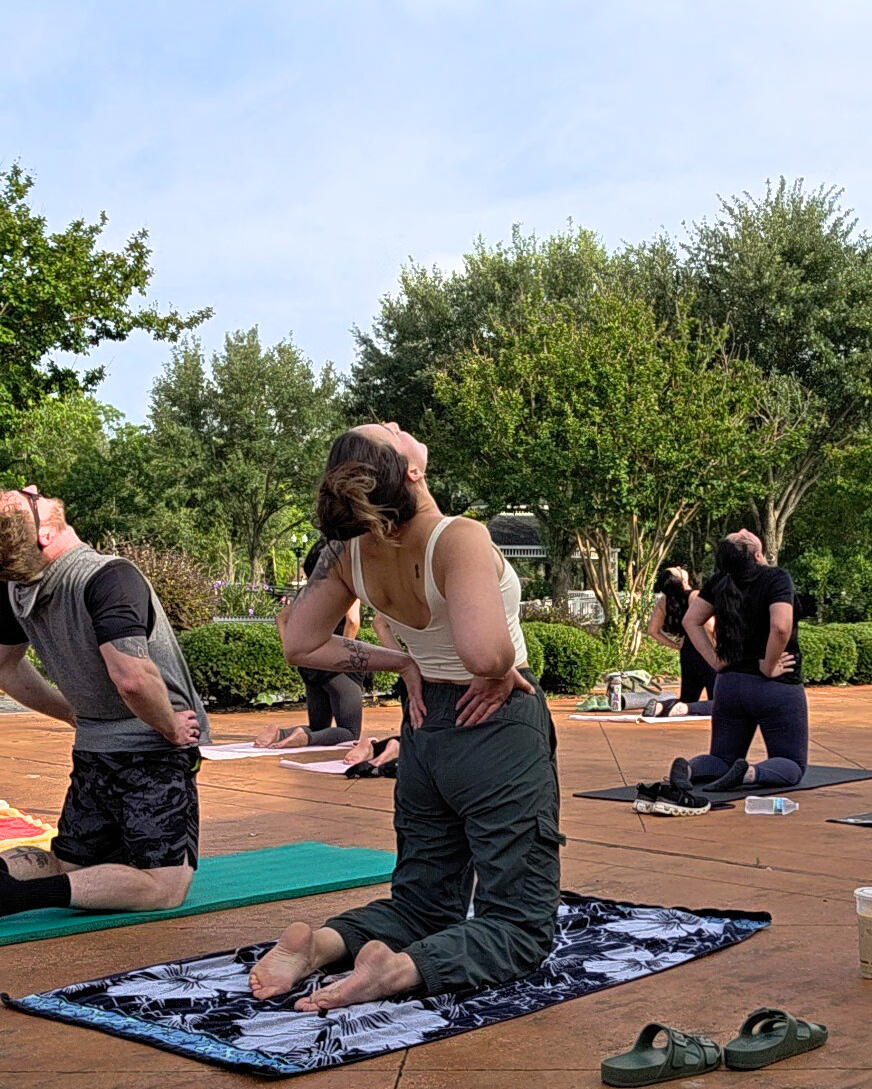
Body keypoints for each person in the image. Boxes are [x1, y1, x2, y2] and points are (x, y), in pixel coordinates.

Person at [248, 422, 562, 1010]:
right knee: (520, 924)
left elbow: (300, 643)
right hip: (494, 723)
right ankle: (402, 970)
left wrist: (403, 662)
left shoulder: (349, 552)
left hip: (425, 726)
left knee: (423, 902)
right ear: (412, 470)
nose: (399, 425)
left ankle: (318, 945)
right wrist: (496, 668)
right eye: (391, 431)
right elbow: (485, 654)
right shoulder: (458, 537)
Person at [0, 486, 209, 917]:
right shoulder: (107, 576)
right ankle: (16, 898)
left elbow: (5, 668)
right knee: (164, 886)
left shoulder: (14, 589)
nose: (35, 489)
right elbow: (132, 678)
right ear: (42, 534)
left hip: (94, 750)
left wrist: (71, 713)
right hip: (149, 752)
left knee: (70, 862)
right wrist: (170, 726)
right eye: (28, 498)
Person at [668, 531, 807, 794]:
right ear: (756, 554)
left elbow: (691, 621)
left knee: (721, 758)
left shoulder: (719, 581)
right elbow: (780, 627)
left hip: (730, 685)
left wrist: (715, 661)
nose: (743, 530)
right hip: (774, 686)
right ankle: (750, 773)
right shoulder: (776, 578)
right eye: (740, 535)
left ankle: (689, 769)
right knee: (792, 764)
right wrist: (767, 665)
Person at [253, 539, 368, 749]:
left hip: (310, 665)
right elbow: (353, 620)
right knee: (350, 732)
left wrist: (292, 649)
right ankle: (305, 738)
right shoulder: (347, 588)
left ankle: (280, 734)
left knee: (318, 725)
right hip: (336, 666)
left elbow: (281, 618)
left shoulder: (306, 592)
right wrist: (344, 656)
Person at [644, 567, 715, 712]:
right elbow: (710, 626)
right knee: (721, 703)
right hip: (707, 653)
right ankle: (684, 708)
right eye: (678, 570)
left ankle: (662, 706)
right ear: (683, 580)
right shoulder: (695, 596)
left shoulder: (665, 601)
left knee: (688, 697)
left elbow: (652, 630)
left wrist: (676, 645)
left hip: (687, 653)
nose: (680, 567)